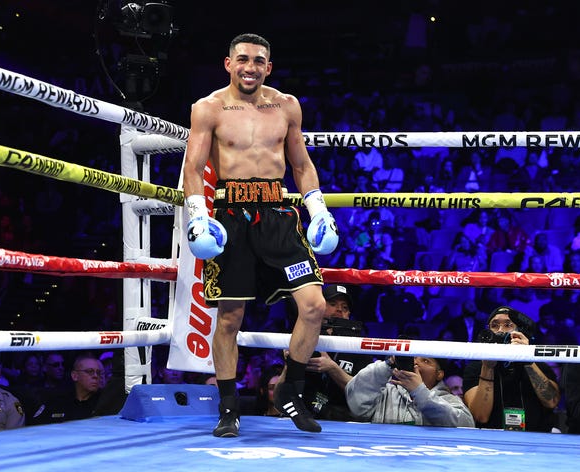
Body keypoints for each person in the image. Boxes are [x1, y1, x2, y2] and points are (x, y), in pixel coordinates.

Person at [182, 33, 338, 437]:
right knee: (230, 317)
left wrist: (317, 209)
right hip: (230, 215)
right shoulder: (209, 108)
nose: (250, 66)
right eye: (243, 59)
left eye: (258, 61)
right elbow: (194, 168)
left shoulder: (286, 105)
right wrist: (198, 215)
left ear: (268, 67)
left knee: (314, 305)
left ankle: (292, 387)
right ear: (229, 63)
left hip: (278, 216)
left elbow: (301, 164)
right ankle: (229, 407)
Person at [462, 306, 560, 432]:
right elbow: (481, 416)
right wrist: (487, 367)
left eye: (508, 325)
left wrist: (527, 359)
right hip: (493, 440)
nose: (500, 331)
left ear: (520, 332)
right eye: (495, 325)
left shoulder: (537, 364)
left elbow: (552, 401)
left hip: (535, 440)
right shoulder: (476, 367)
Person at [303, 284, 373, 421]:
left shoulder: (360, 345)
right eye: (332, 304)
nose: (339, 309)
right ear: (320, 306)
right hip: (306, 412)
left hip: (345, 416)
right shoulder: (305, 336)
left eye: (345, 307)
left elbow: (363, 393)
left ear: (349, 315)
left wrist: (332, 368)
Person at [344, 356, 474, 427]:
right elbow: (356, 403)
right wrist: (388, 364)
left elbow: (466, 425)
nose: (416, 363)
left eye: (425, 360)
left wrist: (419, 392)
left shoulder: (448, 399)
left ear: (439, 374)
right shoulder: (385, 392)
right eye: (413, 358)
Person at [28, 354, 105, 425]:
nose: (95, 376)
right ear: (75, 376)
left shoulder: (105, 402)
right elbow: (35, 427)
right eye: (90, 371)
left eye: (98, 372)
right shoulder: (57, 401)